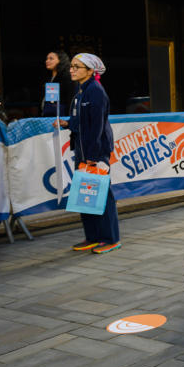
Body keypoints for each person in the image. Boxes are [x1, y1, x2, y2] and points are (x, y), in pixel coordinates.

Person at [56, 54, 120, 254]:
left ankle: (111, 238)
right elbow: (80, 121)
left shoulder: (96, 92)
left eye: (77, 66)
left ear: (91, 71)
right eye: (72, 66)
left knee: (103, 195)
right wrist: (67, 123)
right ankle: (92, 237)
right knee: (85, 194)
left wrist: (93, 155)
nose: (72, 69)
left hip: (96, 154)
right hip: (83, 153)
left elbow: (97, 127)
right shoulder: (80, 91)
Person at [42, 50, 74, 117]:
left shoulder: (67, 77)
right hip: (48, 115)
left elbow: (70, 99)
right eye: (47, 59)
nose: (47, 61)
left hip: (62, 117)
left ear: (61, 60)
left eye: (51, 58)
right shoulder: (49, 78)